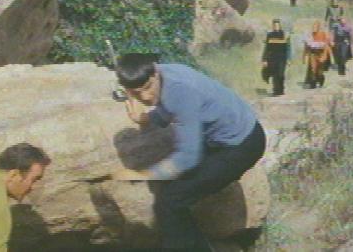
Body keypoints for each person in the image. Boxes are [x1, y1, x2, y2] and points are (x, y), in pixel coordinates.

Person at [111, 54, 266, 252]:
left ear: (155, 72)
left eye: (148, 88)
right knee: (173, 193)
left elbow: (188, 157)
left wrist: (144, 174)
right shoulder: (165, 75)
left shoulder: (179, 89)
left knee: (170, 201)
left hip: (242, 145)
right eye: (136, 93)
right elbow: (171, 108)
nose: (146, 97)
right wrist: (148, 119)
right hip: (225, 138)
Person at [262, 19, 291, 96]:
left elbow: (288, 48)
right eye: (274, 25)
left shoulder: (285, 35)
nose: (276, 27)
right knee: (275, 74)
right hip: (272, 58)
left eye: (277, 25)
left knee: (281, 74)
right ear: (273, 26)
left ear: (280, 26)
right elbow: (267, 48)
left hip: (282, 58)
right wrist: (264, 59)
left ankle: (281, 90)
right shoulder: (270, 35)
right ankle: (276, 91)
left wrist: (289, 59)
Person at [303, 21, 333, 89]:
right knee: (313, 68)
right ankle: (313, 84)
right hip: (313, 53)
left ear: (319, 27)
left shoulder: (323, 34)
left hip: (321, 53)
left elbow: (326, 46)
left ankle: (321, 79)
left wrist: (324, 55)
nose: (314, 28)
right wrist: (304, 56)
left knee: (320, 71)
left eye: (315, 27)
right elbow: (307, 46)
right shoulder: (310, 35)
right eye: (313, 27)